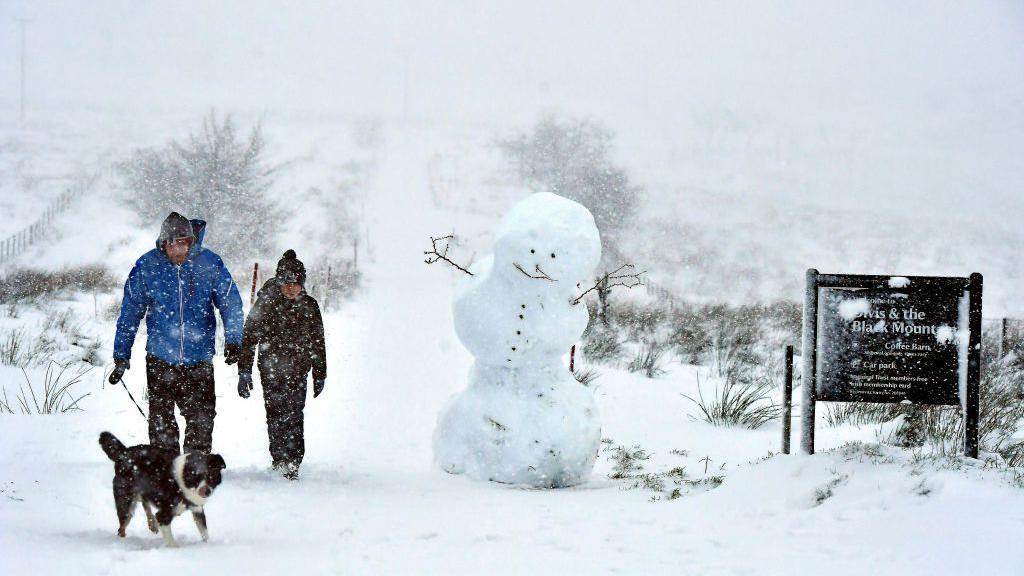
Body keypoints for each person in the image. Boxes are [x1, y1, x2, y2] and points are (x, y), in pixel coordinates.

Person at [109, 212, 244, 454]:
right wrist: (121, 354)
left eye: (182, 242)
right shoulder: (147, 266)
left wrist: (234, 339)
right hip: (160, 358)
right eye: (171, 243)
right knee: (161, 422)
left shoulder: (209, 263)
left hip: (199, 358)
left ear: (190, 241)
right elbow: (130, 311)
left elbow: (230, 302)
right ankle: (166, 469)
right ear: (163, 244)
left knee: (201, 419)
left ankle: (195, 467)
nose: (177, 249)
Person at [237, 250, 327, 480]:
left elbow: (318, 340)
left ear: (302, 284)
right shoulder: (266, 303)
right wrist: (244, 370)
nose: (290, 287)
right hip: (270, 369)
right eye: (286, 282)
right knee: (275, 414)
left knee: (295, 414)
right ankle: (279, 459)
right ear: (279, 282)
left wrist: (319, 372)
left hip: (298, 370)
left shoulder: (309, 306)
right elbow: (249, 337)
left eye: (295, 283)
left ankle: (293, 462)